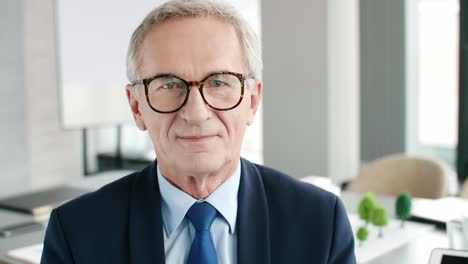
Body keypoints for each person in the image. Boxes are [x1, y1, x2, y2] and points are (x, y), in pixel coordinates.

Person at [41, 0, 355, 263]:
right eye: (168, 84)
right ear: (137, 107)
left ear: (253, 100)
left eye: (219, 82)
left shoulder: (320, 223)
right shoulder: (76, 233)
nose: (195, 112)